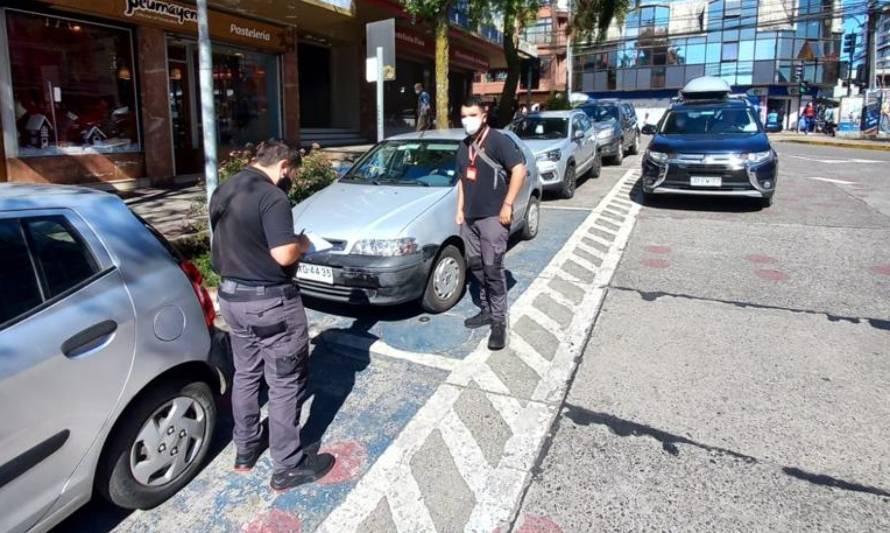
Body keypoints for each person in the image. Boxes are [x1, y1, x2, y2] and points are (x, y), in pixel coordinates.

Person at [210, 139, 334, 492]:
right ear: (283, 167)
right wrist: (304, 243)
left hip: (232, 298)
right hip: (270, 304)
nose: (290, 179)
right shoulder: (272, 196)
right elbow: (283, 255)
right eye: (292, 173)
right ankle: (287, 465)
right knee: (284, 382)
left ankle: (245, 449)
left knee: (246, 374)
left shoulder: (226, 188)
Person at [455, 96, 527, 350]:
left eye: (472, 115)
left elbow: (519, 170)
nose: (467, 120)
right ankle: (486, 309)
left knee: (493, 268)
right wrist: (460, 210)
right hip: (470, 220)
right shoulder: (464, 146)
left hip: (494, 218)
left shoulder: (499, 141)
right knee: (475, 266)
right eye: (464, 115)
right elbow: (463, 181)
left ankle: (499, 322)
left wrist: (507, 204)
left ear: (484, 115)